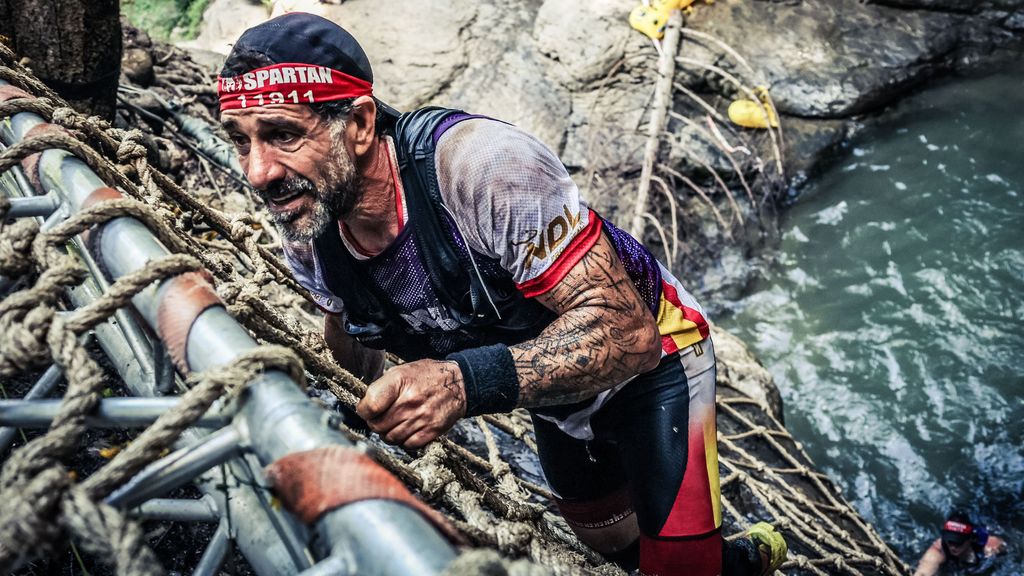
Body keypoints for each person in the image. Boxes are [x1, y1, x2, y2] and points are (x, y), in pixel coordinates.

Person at [218, 12, 786, 575]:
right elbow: (348, 325)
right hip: (549, 386)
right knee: (609, 542)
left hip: (656, 361)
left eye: (283, 134)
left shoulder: (477, 166)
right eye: (240, 142)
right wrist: (354, 418)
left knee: (683, 571)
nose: (259, 172)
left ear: (361, 124)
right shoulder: (309, 222)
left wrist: (462, 383)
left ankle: (743, 558)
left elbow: (628, 333)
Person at [913, 511, 1006, 576]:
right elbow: (923, 572)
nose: (952, 547)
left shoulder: (989, 545)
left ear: (971, 539)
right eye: (950, 541)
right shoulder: (938, 550)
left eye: (958, 542)